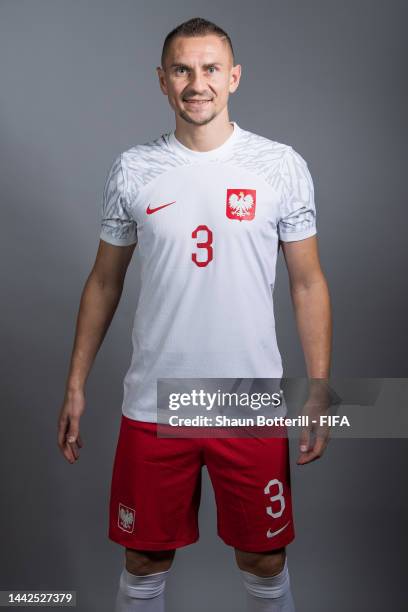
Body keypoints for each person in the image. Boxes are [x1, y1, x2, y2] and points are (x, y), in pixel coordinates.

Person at [57, 16, 332, 612]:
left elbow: (307, 283)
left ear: (233, 77)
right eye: (182, 70)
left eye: (210, 69)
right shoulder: (133, 168)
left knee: (265, 559)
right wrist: (76, 383)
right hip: (155, 402)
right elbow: (105, 280)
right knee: (144, 560)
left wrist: (319, 388)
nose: (197, 83)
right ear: (162, 80)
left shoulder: (279, 165)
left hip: (246, 399)